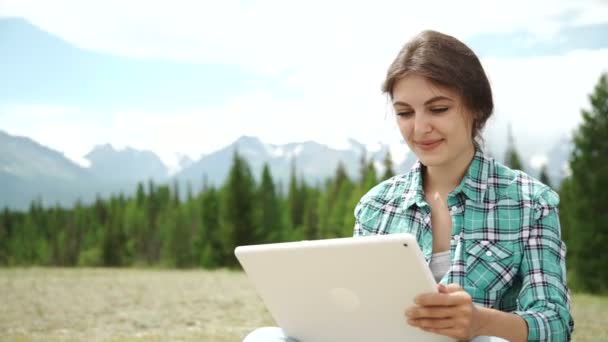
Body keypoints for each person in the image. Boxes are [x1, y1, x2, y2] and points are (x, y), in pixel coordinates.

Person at [243, 30, 574, 342]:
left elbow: (555, 322)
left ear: (477, 107)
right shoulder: (377, 205)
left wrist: (478, 321)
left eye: (438, 109)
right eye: (404, 113)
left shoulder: (530, 201)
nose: (420, 128)